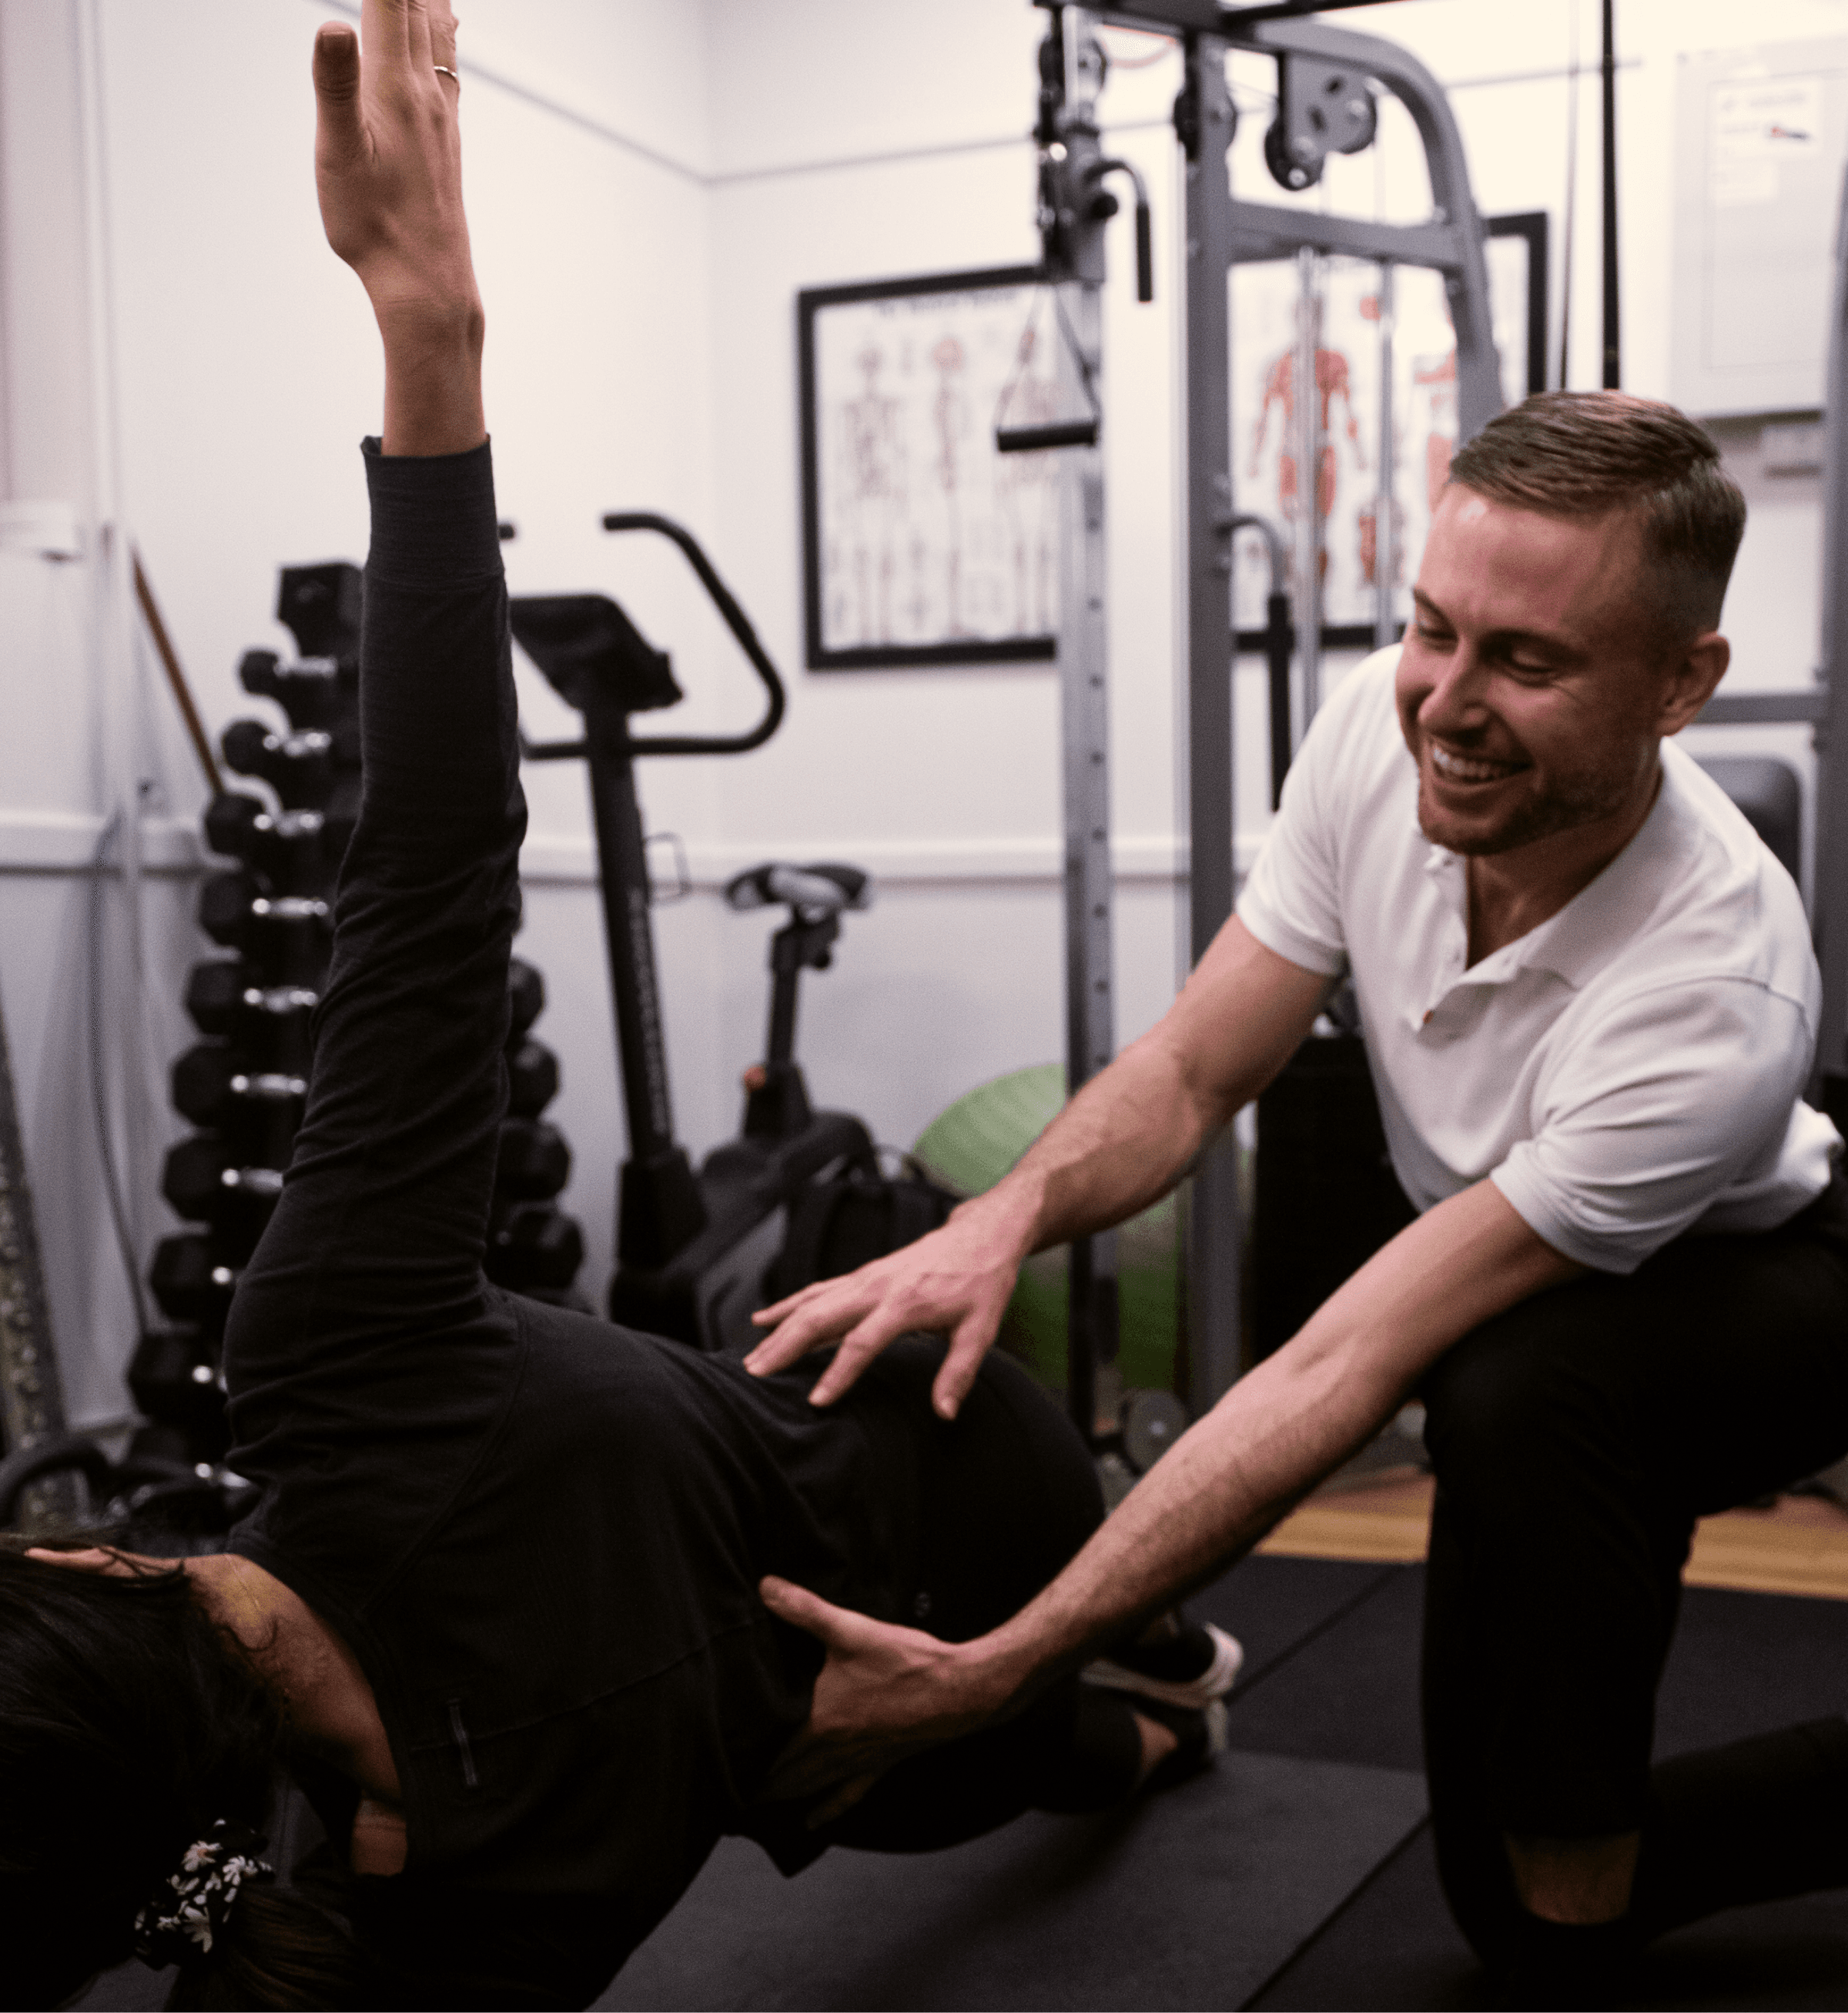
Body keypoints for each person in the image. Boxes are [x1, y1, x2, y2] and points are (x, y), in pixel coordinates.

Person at [0, 8, 1234, 2010]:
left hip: (847, 1762)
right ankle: (1158, 1673)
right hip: (948, 1465)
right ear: (82, 1560)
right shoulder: (337, 1361)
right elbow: (422, 872)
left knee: (1089, 1747)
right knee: (1129, 1716)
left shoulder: (441, 1940)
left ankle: (1147, 1695)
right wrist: (430, 336)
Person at [745, 388, 1848, 2002]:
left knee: (1516, 1424)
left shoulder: (1715, 990)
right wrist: (993, 1222)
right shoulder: (1381, 736)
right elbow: (1193, 1072)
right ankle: (1177, 1666)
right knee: (1496, 1879)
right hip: (1523, 1311)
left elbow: (1348, 1367)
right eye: (1429, 629)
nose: (1446, 703)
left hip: (1763, 1289)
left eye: (1526, 661)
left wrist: (996, 1670)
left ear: (1681, 684)